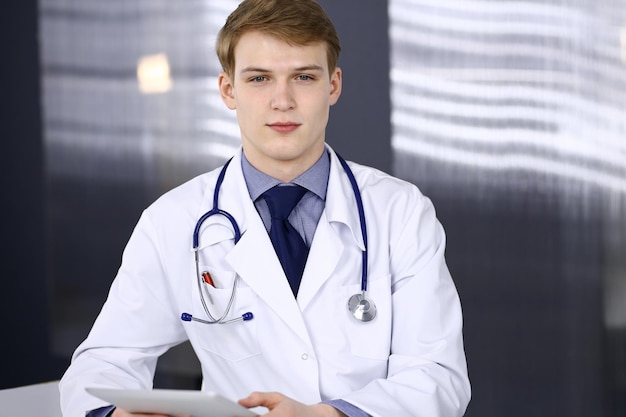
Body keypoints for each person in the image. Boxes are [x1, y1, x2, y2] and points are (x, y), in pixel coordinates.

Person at [59, 0, 471, 416]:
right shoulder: (173, 221)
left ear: (333, 85)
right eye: (259, 78)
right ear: (228, 90)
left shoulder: (400, 212)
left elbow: (437, 377)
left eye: (304, 77)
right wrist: (116, 414)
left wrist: (323, 415)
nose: (282, 100)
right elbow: (102, 363)